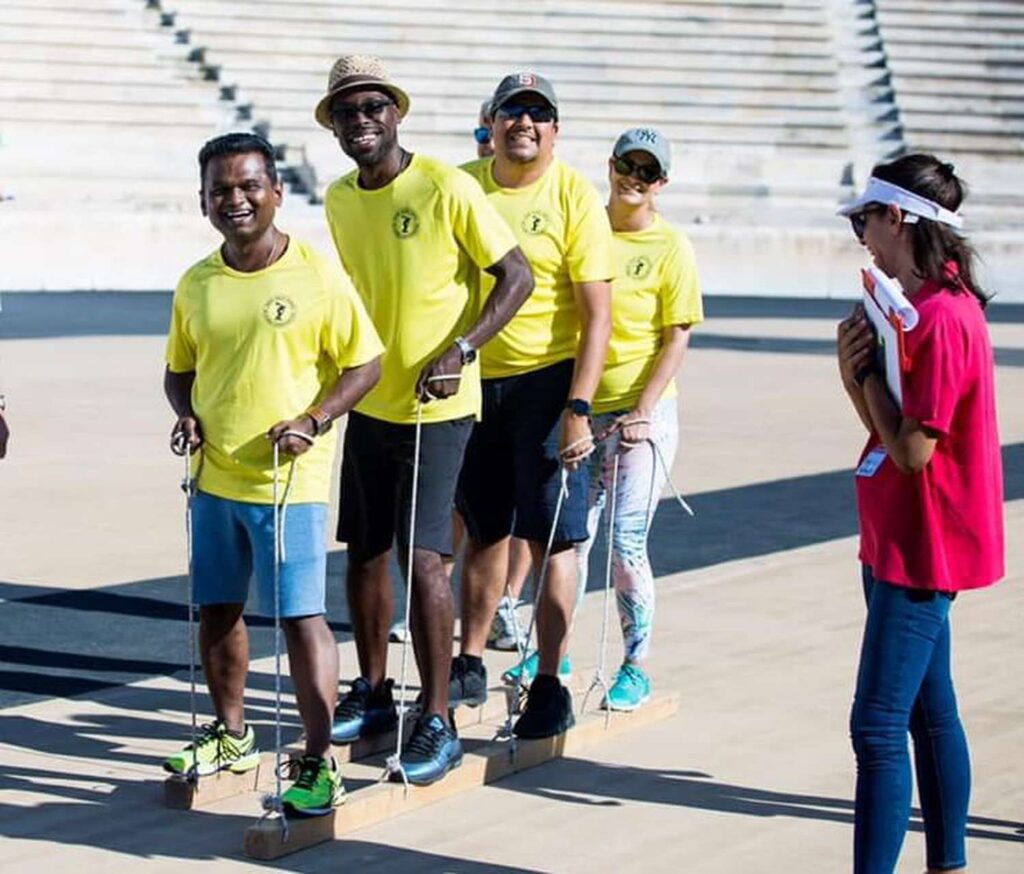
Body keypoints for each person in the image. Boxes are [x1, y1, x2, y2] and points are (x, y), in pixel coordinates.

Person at [314, 56, 533, 784]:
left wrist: (464, 348)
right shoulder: (340, 198)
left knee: (428, 558)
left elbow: (518, 275)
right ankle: (376, 695)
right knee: (366, 551)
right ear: (335, 124)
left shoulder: (444, 185)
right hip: (370, 398)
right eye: (347, 111)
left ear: (396, 113)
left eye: (374, 106)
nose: (362, 120)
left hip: (440, 407)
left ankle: (433, 715)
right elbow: (352, 296)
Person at [162, 132, 384, 817]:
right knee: (220, 611)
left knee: (300, 620)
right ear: (203, 203)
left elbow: (365, 363)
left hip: (289, 486)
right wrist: (188, 415)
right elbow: (179, 374)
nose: (235, 198)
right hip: (216, 480)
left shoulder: (315, 275)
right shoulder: (197, 282)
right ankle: (232, 736)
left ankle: (319, 763)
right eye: (220, 189)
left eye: (248, 184)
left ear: (277, 192)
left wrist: (315, 419)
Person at [836, 154, 1004, 874]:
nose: (862, 237)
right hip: (901, 538)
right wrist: (857, 374)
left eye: (865, 220)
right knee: (931, 715)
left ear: (897, 217)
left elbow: (910, 450)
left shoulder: (940, 317)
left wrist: (866, 371)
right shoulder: (930, 303)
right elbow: (885, 430)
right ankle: (950, 863)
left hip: (922, 546)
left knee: (876, 728)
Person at [453, 72, 613, 738]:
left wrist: (579, 404)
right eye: (512, 111)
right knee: (482, 525)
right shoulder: (460, 183)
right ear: (489, 122)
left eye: (539, 113)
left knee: (554, 536)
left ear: (556, 129)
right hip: (473, 379)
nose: (525, 123)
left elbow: (596, 311)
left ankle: (551, 678)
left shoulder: (573, 192)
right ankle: (467, 657)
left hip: (548, 384)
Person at [574, 127, 703, 711]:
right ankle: (552, 650)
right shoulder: (586, 228)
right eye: (627, 164)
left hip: (641, 414)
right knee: (571, 541)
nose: (634, 178)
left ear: (662, 184)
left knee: (626, 542)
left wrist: (644, 410)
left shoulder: (671, 246)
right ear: (610, 164)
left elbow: (676, 336)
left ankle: (635, 663)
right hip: (582, 409)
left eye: (647, 172)